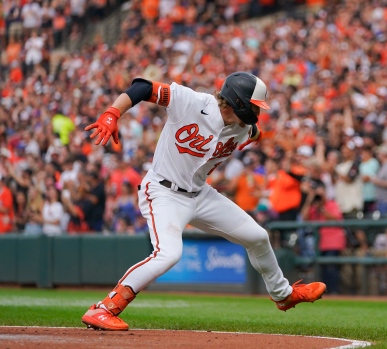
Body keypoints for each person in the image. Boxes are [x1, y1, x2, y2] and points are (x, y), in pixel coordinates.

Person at [80, 72, 326, 331]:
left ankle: (283, 295)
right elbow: (142, 87)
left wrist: (256, 136)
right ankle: (104, 309)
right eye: (254, 106)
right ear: (238, 101)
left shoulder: (245, 128)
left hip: (201, 193)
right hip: (164, 191)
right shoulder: (192, 102)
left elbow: (256, 133)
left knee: (257, 236)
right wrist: (113, 113)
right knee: (168, 254)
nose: (257, 112)